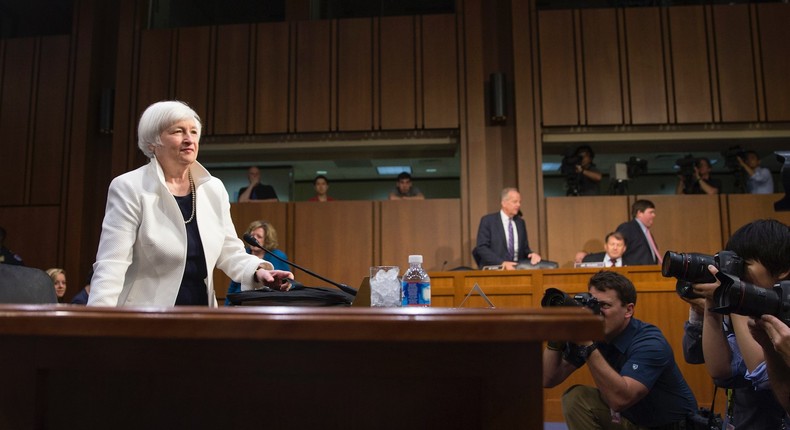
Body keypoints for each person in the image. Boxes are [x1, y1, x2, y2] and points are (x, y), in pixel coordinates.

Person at [88, 101, 293, 307]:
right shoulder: (130, 187)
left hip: (200, 312)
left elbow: (229, 250)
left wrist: (259, 271)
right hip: (145, 316)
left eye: (194, 132)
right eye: (178, 131)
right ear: (152, 142)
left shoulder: (213, 188)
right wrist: (96, 323)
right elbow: (111, 263)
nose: (189, 139)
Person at [543, 271, 697, 429]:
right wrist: (557, 336)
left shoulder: (650, 342)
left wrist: (587, 344)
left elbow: (620, 400)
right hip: (633, 421)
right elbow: (548, 378)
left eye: (605, 305)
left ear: (628, 310)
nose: (596, 312)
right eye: (593, 304)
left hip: (670, 426)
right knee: (576, 398)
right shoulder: (595, 333)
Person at [691, 219, 790, 427]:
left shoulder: (782, 311)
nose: (738, 272)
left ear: (782, 269)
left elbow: (762, 374)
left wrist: (736, 297)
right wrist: (713, 301)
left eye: (745, 264)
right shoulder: (749, 313)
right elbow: (721, 370)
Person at [472, 187, 541, 269]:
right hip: (495, 268)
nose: (519, 205)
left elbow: (525, 249)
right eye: (515, 202)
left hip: (517, 269)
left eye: (519, 202)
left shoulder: (520, 223)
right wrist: (502, 263)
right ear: (504, 203)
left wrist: (531, 254)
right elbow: (482, 248)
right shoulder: (488, 221)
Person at [225, 220, 290, 305]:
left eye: (259, 236)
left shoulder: (278, 256)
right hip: (242, 302)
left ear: (267, 240)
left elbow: (287, 284)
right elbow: (234, 285)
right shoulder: (243, 255)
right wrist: (227, 307)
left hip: (269, 304)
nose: (254, 238)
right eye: (252, 236)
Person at [615, 199, 660, 266]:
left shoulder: (647, 233)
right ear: (639, 213)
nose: (654, 215)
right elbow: (617, 250)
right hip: (635, 273)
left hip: (650, 273)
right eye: (651, 212)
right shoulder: (627, 228)